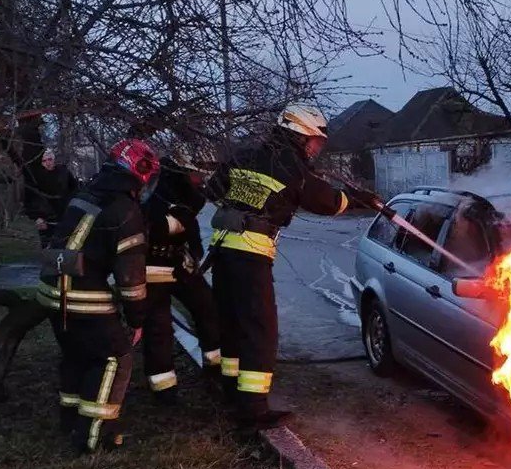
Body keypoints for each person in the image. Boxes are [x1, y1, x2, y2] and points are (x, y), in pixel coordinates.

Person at [205, 103, 360, 427]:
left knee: (232, 322)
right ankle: (253, 409)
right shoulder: (293, 168)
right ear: (302, 135)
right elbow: (329, 203)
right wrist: (357, 199)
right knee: (260, 329)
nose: (317, 149)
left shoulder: (244, 155)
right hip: (251, 253)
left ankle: (231, 391)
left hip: (222, 250)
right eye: (316, 141)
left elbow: (214, 189)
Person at [36, 138, 157, 452]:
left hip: (52, 291)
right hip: (82, 296)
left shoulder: (84, 194)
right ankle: (95, 438)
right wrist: (136, 318)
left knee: (78, 354)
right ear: (140, 174)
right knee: (115, 358)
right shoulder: (126, 211)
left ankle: (70, 421)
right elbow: (131, 278)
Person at [141, 157, 221, 402]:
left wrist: (194, 252)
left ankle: (214, 369)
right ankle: (164, 390)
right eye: (197, 174)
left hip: (179, 261)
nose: (202, 180)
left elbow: (190, 225)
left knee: (208, 308)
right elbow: (156, 226)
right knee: (158, 327)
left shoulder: (188, 196)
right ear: (182, 171)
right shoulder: (158, 193)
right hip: (152, 264)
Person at [23, 149, 79, 246]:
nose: (47, 163)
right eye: (44, 161)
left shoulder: (63, 172)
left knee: (66, 246)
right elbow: (28, 199)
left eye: (49, 160)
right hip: (45, 220)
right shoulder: (35, 177)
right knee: (48, 247)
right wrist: (37, 217)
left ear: (54, 160)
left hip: (65, 216)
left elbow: (75, 190)